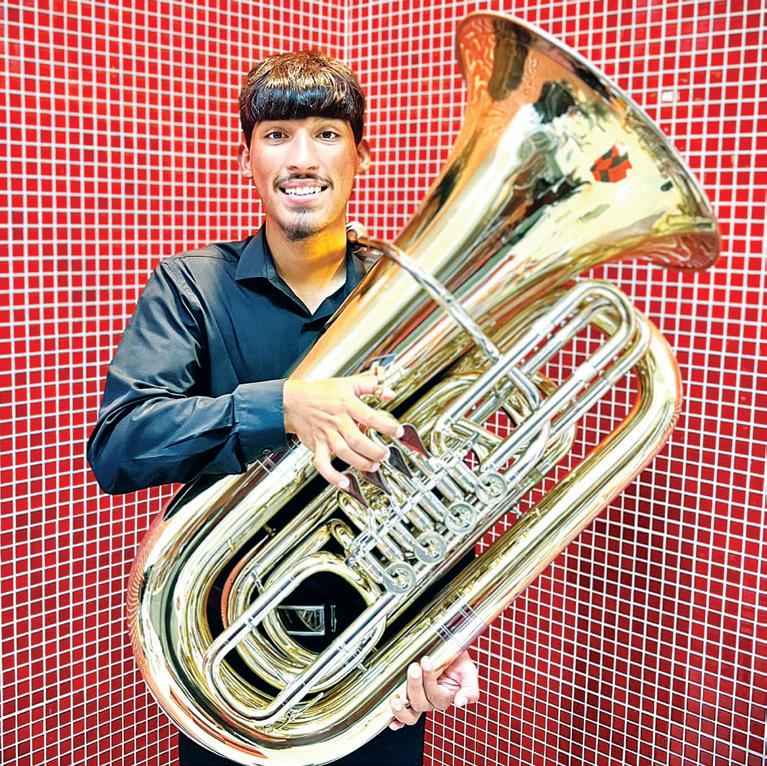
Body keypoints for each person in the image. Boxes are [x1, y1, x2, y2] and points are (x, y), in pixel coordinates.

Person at [88, 51, 480, 765]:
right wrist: (283, 407)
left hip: (380, 665)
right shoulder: (189, 287)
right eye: (276, 135)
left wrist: (451, 632)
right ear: (246, 159)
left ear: (361, 155)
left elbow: (447, 478)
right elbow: (119, 447)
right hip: (226, 662)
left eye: (327, 134)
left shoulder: (411, 298)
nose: (302, 158)